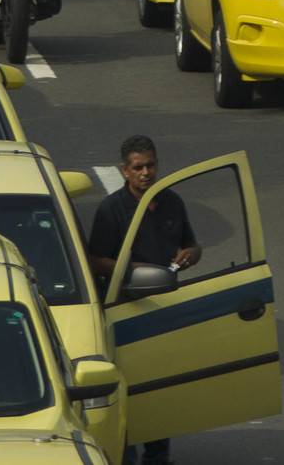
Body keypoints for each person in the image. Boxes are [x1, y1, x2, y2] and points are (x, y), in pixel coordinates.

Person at [86, 135, 200, 465]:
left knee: (160, 386)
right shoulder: (111, 210)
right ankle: (126, 452)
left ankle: (158, 455)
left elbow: (193, 244)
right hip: (127, 310)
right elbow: (95, 259)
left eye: (150, 165)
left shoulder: (172, 202)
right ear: (125, 171)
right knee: (131, 389)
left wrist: (190, 254)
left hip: (165, 307)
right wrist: (130, 269)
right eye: (138, 167)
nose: (146, 173)